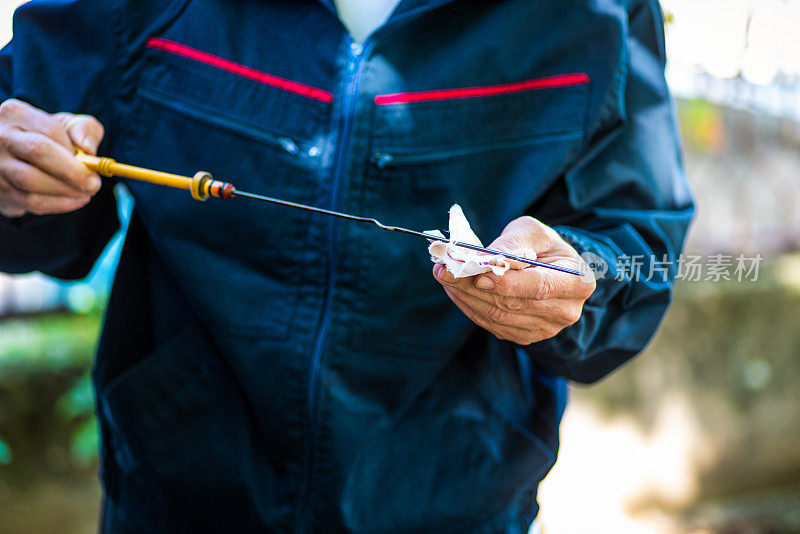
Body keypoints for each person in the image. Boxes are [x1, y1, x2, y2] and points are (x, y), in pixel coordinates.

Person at [0, 0, 693, 532]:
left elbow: (638, 249)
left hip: (456, 505)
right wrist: (16, 178)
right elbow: (36, 217)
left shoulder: (594, 14)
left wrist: (579, 279)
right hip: (174, 500)